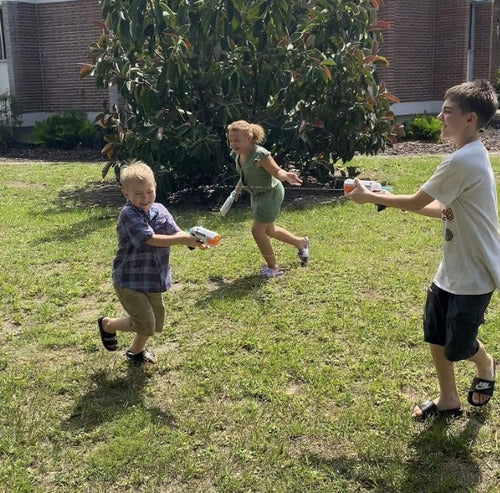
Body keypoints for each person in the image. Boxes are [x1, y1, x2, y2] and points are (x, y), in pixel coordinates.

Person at [347, 79, 499, 420]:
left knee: (459, 345)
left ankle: (486, 363)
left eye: (448, 112)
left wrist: (370, 196)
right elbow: (440, 208)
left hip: (475, 273)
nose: (441, 117)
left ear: (470, 118)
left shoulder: (464, 161)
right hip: (451, 270)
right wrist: (384, 198)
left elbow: (417, 200)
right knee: (435, 334)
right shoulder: (468, 156)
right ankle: (448, 399)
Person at [97, 160, 205, 365]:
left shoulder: (161, 210)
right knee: (145, 322)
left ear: (155, 188)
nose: (145, 198)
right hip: (129, 279)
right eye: (138, 194)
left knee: (154, 321)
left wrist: (194, 241)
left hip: (154, 277)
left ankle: (135, 352)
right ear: (125, 194)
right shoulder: (128, 214)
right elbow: (150, 240)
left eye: (149, 191)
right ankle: (108, 325)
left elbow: (176, 232)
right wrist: (184, 239)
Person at [227, 120, 309, 278]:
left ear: (249, 137)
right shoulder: (238, 154)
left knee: (257, 231)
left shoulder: (260, 155)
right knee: (269, 230)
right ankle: (301, 242)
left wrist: (287, 176)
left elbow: (277, 172)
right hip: (256, 195)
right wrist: (237, 190)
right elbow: (245, 173)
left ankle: (274, 268)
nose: (233, 144)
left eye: (237, 140)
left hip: (270, 194)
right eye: (231, 140)